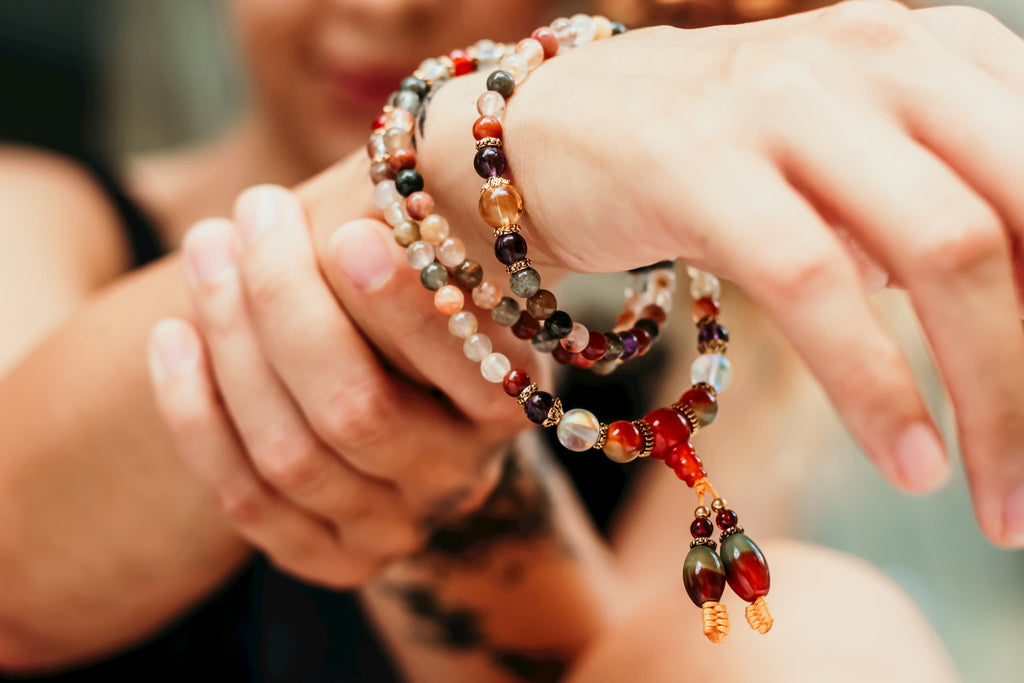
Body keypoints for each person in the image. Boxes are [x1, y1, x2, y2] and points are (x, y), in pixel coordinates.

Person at [0, 0, 1020, 679]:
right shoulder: (39, 209)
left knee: (807, 629)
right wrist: (464, 165)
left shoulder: (706, 350)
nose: (386, 8)